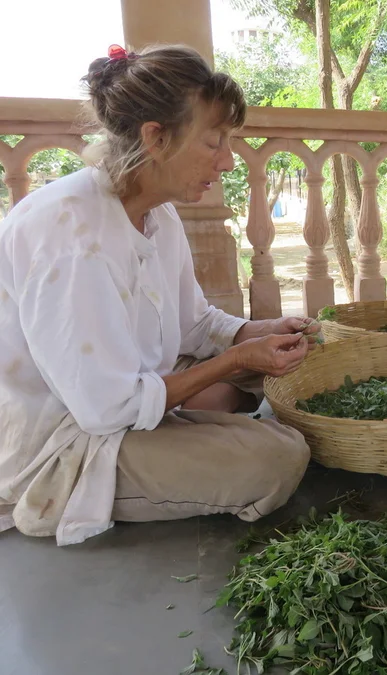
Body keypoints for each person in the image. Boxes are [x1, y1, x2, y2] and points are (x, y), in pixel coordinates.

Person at [0, 45, 316, 546]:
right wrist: (234, 361)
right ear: (156, 137)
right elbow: (106, 410)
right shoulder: (69, 237)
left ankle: (203, 415)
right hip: (70, 441)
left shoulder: (157, 212)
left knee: (296, 356)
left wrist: (256, 333)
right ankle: (198, 430)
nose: (229, 161)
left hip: (128, 391)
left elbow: (192, 323)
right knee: (280, 457)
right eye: (214, 142)